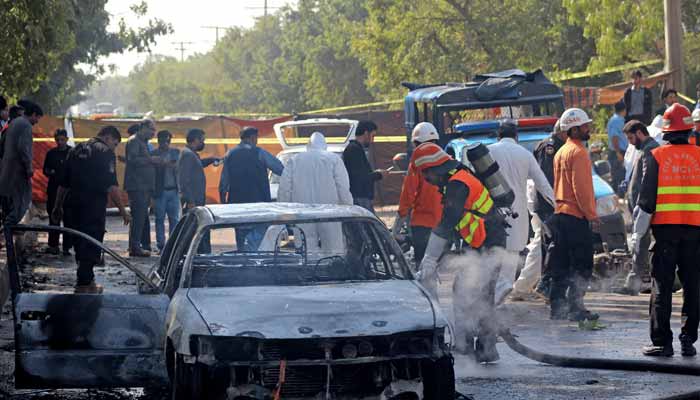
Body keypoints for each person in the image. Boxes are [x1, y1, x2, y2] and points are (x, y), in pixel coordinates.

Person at [412, 143, 507, 362]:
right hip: (484, 242)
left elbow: (446, 223)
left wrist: (430, 258)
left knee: (467, 292)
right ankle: (485, 348)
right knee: (479, 294)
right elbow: (455, 225)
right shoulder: (460, 178)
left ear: (435, 168)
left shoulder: (458, 184)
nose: (426, 180)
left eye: (426, 174)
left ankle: (469, 348)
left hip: (487, 244)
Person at [632, 104, 700, 357]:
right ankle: (688, 340)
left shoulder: (657, 156)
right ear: (689, 129)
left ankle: (662, 342)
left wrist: (637, 235)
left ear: (667, 131)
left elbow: (646, 201)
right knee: (693, 286)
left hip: (665, 234)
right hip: (695, 233)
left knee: (662, 285)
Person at [52, 126, 131, 294]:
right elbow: (112, 186)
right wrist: (123, 211)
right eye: (115, 144)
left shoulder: (76, 149)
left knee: (79, 242)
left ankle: (88, 280)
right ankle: (83, 284)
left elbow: (64, 183)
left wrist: (57, 206)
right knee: (92, 241)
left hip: (72, 203)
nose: (114, 148)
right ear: (108, 137)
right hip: (92, 205)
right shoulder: (105, 152)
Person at [487, 121, 555, 303]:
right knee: (510, 258)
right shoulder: (525, 155)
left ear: (498, 136)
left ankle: (488, 301)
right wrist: (558, 205)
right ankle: (502, 291)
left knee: (491, 258)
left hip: (491, 213)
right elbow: (543, 185)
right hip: (517, 215)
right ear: (516, 137)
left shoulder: (489, 152)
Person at [548, 108, 600, 321]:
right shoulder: (579, 153)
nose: (588, 129)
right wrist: (591, 215)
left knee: (560, 265)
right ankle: (575, 308)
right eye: (585, 126)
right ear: (575, 129)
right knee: (581, 265)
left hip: (560, 214)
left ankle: (557, 308)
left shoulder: (561, 152)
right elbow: (582, 189)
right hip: (575, 216)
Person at [513, 119, 566, 297]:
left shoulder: (557, 145)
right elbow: (546, 179)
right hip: (546, 203)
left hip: (549, 202)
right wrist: (555, 202)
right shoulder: (549, 147)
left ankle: (536, 283)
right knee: (546, 243)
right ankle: (532, 284)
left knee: (545, 243)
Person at [277, 132, 352, 252]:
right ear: (324, 145)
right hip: (330, 213)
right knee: (333, 249)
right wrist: (348, 207)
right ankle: (332, 269)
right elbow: (342, 187)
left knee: (306, 251)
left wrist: (284, 210)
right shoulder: (334, 159)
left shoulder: (294, 160)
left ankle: (310, 270)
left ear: (308, 145)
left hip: (303, 214)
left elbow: (284, 189)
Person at [219, 126, 283, 251]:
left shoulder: (230, 154)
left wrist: (224, 203)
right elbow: (280, 169)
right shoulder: (259, 153)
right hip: (258, 204)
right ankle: (254, 265)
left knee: (241, 239)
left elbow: (223, 183)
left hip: (237, 205)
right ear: (252, 138)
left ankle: (243, 263)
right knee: (257, 241)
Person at [395, 122, 444, 264]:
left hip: (422, 223)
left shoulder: (417, 161)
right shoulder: (446, 159)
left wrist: (399, 222)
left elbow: (408, 194)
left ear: (416, 142)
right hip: (443, 222)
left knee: (423, 265)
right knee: (440, 264)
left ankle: (426, 287)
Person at [620, 120, 658, 295]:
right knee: (640, 244)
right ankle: (639, 280)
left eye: (630, 138)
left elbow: (646, 183)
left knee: (641, 244)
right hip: (642, 207)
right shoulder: (646, 150)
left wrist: (640, 207)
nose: (630, 142)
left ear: (640, 133)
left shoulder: (650, 151)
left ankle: (637, 282)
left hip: (645, 208)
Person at [0, 100, 42, 228]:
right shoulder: (25, 125)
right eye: (38, 118)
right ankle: (8, 227)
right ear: (34, 114)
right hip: (18, 173)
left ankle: (8, 237)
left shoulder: (13, 123)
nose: (37, 121)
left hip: (7, 173)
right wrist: (29, 167)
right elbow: (24, 148)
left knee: (8, 206)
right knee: (22, 202)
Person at [124, 119, 159, 257]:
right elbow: (132, 160)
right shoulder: (134, 141)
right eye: (151, 129)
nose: (153, 133)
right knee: (138, 217)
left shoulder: (143, 142)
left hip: (144, 186)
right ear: (143, 127)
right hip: (137, 186)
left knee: (141, 217)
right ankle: (135, 247)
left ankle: (136, 246)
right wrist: (151, 160)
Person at [177, 128, 213, 253]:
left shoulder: (191, 154)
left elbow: (198, 164)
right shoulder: (187, 154)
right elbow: (183, 180)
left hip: (197, 200)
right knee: (190, 231)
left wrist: (211, 160)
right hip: (193, 201)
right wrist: (190, 200)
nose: (203, 143)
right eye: (202, 140)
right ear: (196, 140)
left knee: (196, 229)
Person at [342, 120, 386, 213]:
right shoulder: (354, 150)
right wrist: (378, 174)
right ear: (366, 133)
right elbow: (359, 178)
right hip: (359, 199)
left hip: (361, 198)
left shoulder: (356, 149)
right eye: (372, 136)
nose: (372, 140)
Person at [43, 129, 73, 255]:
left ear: (66, 139)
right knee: (54, 217)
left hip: (68, 191)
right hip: (54, 189)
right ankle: (53, 245)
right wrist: (51, 172)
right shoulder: (51, 153)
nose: (60, 142)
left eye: (62, 139)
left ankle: (66, 247)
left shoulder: (72, 153)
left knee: (68, 218)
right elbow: (45, 169)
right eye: (58, 140)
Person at [151, 130, 180, 252]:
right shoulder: (153, 154)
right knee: (159, 219)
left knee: (174, 219)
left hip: (174, 191)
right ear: (158, 141)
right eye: (163, 140)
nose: (165, 143)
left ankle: (172, 245)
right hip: (160, 191)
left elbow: (178, 168)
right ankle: (161, 246)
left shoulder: (175, 152)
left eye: (167, 140)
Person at [607, 100, 628, 195]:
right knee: (619, 175)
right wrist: (618, 152)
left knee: (617, 175)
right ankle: (618, 196)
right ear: (624, 110)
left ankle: (618, 195)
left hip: (617, 151)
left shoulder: (614, 119)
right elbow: (614, 137)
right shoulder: (617, 121)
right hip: (618, 151)